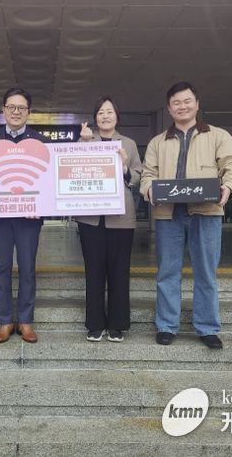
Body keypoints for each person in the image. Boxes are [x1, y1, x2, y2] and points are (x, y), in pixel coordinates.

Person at [140, 81, 232, 350]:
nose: (182, 106)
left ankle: (207, 327)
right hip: (169, 215)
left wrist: (229, 187)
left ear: (197, 104)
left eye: (187, 101)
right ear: (169, 108)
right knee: (167, 272)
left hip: (207, 213)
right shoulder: (157, 142)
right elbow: (148, 174)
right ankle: (166, 326)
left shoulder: (218, 136)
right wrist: (149, 190)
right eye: (176, 102)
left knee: (206, 273)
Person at [0, 87, 46, 344]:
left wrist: (41, 206)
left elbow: (47, 179)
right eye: (11, 107)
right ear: (4, 110)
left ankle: (25, 321)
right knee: (1, 268)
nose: (16, 112)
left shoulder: (40, 141)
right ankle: (5, 321)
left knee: (27, 268)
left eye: (21, 108)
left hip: (30, 218)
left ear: (29, 112)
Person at [76, 96, 142, 343]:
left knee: (119, 271)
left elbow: (138, 175)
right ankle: (95, 324)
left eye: (110, 112)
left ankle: (117, 325)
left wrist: (124, 168)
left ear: (117, 116)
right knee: (93, 271)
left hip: (121, 217)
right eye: (101, 112)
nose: (105, 116)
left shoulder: (129, 143)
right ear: (95, 118)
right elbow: (73, 170)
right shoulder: (85, 141)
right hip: (90, 217)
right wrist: (83, 144)